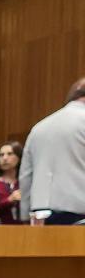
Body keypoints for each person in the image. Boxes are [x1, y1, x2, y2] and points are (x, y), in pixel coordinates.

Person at [20, 76, 85, 225]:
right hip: (79, 211)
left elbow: (25, 176)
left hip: (39, 214)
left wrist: (24, 216)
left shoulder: (39, 127)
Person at [0, 142, 22, 224]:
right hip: (0, 227)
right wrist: (9, 200)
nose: (5, 158)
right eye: (1, 155)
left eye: (10, 154)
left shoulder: (25, 182)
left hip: (24, 228)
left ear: (19, 157)